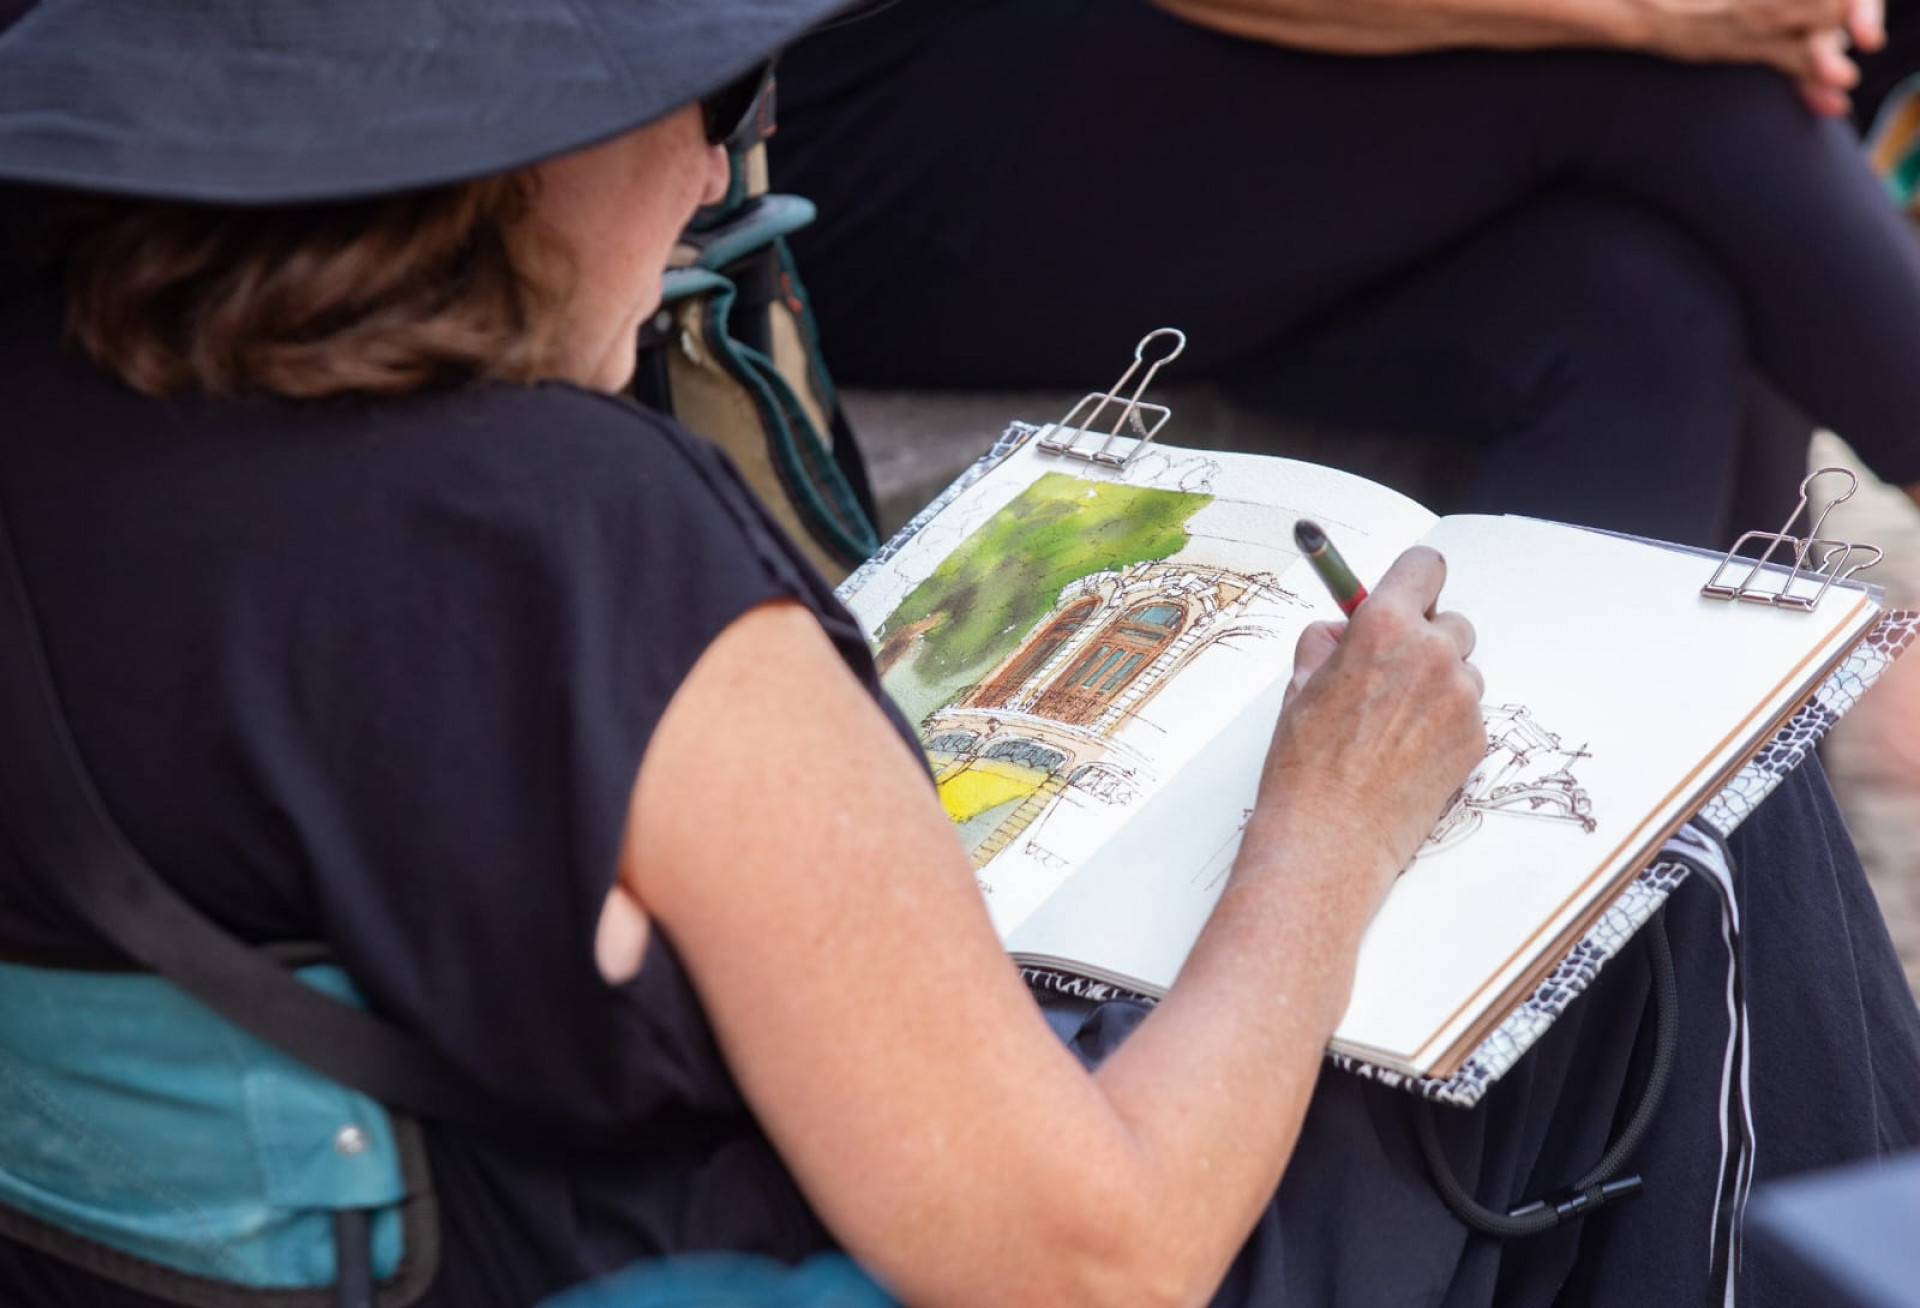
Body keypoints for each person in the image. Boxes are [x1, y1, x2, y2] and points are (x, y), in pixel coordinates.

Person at [0, 4, 1915, 1308]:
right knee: (1687, 853)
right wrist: (1325, 825)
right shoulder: (569, 539)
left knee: (1625, 339)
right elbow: (1095, 1261)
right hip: (734, 1259)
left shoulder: (65, 424)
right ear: (487, 160)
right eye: (691, 98)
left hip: (335, 1228)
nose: (718, 169)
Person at [773, 0, 1920, 549]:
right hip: (868, 158)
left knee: (1639, 303)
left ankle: (1638, 939)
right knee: (1673, 77)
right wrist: (1651, 15)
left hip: (1181, 168)